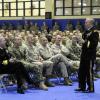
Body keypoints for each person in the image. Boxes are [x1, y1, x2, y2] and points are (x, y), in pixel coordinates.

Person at [75, 18, 99, 93]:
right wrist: (79, 40)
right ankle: (82, 87)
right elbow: (83, 42)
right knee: (81, 71)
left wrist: (84, 42)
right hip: (84, 54)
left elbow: (93, 44)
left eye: (86, 22)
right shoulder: (86, 32)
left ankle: (91, 88)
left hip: (90, 55)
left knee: (89, 72)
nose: (85, 23)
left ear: (90, 23)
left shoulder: (95, 32)